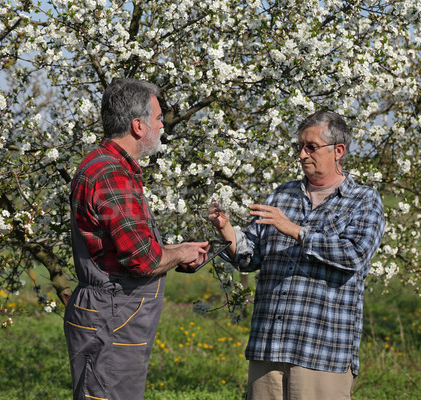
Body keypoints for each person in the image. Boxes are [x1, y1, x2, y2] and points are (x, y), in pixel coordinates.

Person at [208, 110, 385, 400]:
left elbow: (354, 255)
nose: (302, 155)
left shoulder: (363, 201)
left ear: (338, 151)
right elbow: (250, 257)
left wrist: (295, 231)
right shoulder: (282, 196)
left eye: (311, 146)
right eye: (299, 146)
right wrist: (226, 230)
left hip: (322, 351)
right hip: (270, 345)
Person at [64, 78, 209, 400]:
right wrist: (180, 252)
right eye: (158, 119)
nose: (162, 126)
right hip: (113, 314)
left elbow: (126, 246)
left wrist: (179, 251)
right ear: (138, 125)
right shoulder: (112, 173)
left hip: (111, 313)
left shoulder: (105, 165)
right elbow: (143, 262)